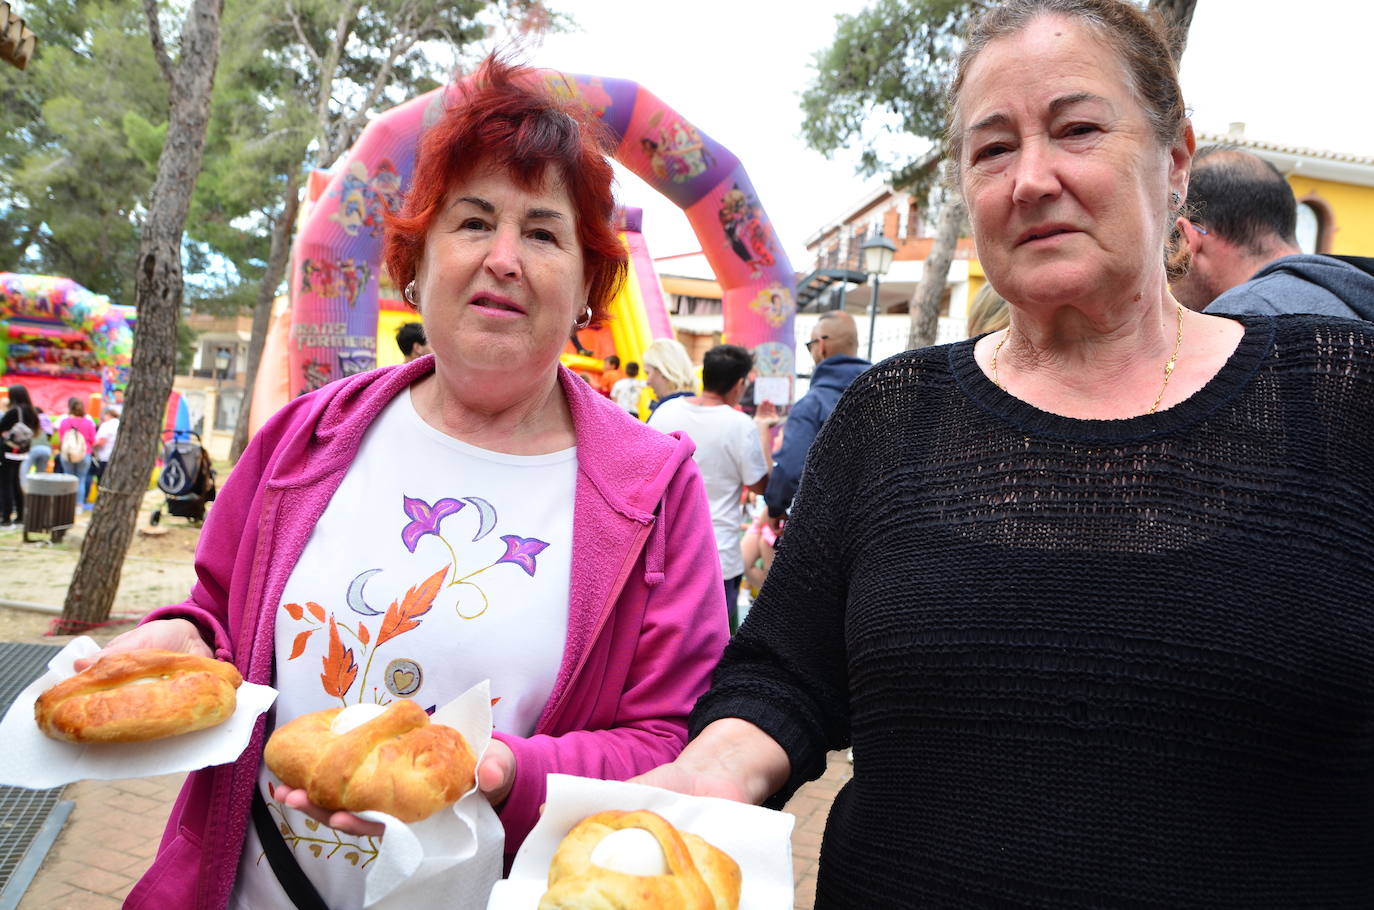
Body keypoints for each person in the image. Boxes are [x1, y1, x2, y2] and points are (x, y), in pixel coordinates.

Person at [637, 1, 1374, 905]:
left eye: (1078, 129)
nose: (1031, 179)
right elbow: (783, 674)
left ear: (1175, 159)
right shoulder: (890, 418)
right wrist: (711, 771)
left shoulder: (1340, 398)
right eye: (992, 149)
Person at [85, 56, 727, 910]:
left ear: (586, 287)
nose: (503, 258)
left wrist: (507, 771)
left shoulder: (653, 490)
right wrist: (181, 637)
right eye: (472, 221)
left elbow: (667, 737)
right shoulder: (305, 439)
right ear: (416, 260)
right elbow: (219, 617)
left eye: (542, 232)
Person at [649, 344, 775, 631]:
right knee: (714, 645)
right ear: (739, 383)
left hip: (665, 550)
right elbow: (760, 486)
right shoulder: (740, 425)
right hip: (717, 555)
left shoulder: (665, 412)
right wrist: (763, 430)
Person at [1172, 145, 1374, 318]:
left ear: (1188, 238)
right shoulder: (1353, 295)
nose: (1167, 280)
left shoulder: (1243, 318)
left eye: (1166, 254)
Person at [762, 310, 869, 534]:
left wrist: (775, 506)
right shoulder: (884, 394)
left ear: (821, 346)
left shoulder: (812, 405)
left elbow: (791, 470)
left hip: (827, 530)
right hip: (877, 527)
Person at [0, 384, 39, 527]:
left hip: (9, 451)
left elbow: (2, 427)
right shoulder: (31, 411)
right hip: (22, 451)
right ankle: (21, 516)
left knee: (5, 484)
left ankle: (6, 517)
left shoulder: (14, 411)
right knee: (16, 482)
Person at [640, 337, 697, 413]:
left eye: (648, 373)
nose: (648, 382)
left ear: (664, 371)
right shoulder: (697, 408)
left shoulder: (666, 412)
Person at [56, 397, 96, 508]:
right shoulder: (88, 422)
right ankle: (79, 505)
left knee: (69, 478)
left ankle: (68, 504)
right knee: (81, 479)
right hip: (84, 453)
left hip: (67, 454)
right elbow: (93, 439)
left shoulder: (64, 421)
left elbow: (61, 438)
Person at [90, 403, 121, 501]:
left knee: (102, 481)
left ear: (107, 415)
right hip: (118, 458)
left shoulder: (107, 425)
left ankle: (102, 500)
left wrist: (91, 446)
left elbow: (101, 442)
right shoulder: (120, 424)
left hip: (105, 457)